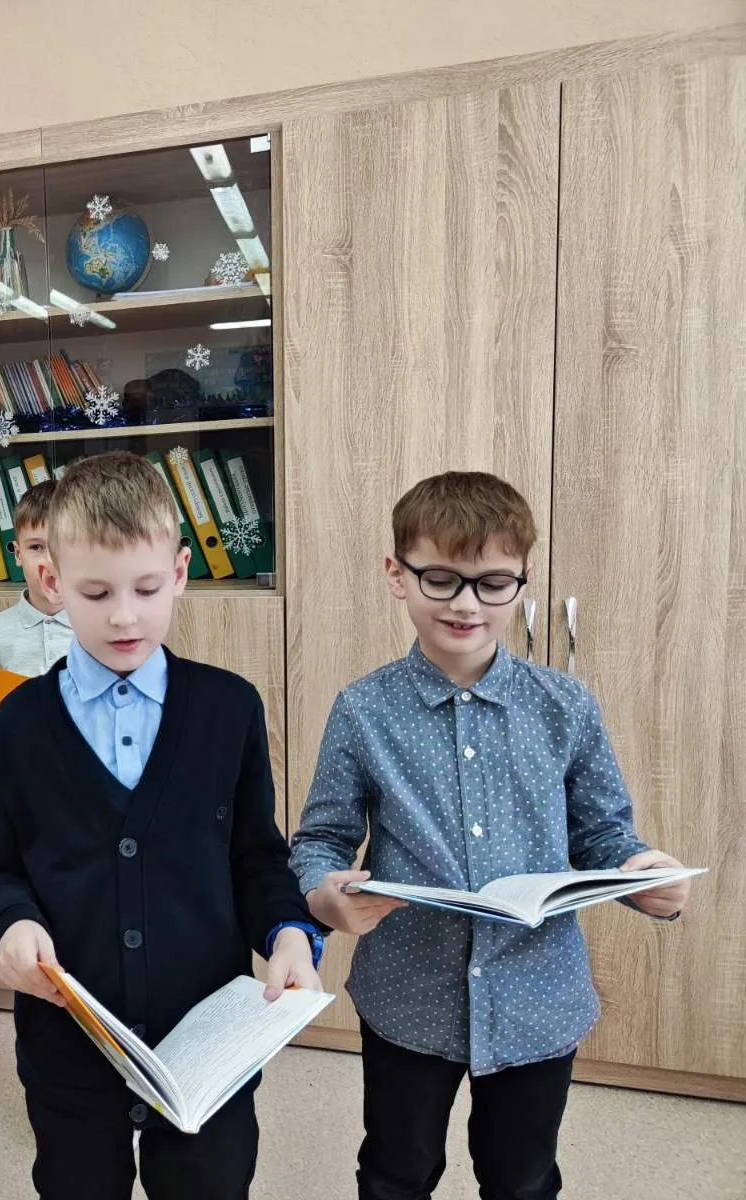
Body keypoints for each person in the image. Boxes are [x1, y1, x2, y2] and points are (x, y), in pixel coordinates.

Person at [289, 471, 694, 1200]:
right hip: (408, 994)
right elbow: (321, 840)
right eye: (440, 578)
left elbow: (604, 836)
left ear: (523, 581)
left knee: (523, 1177)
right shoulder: (362, 710)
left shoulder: (566, 706)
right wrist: (325, 894)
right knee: (396, 1170)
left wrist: (643, 874)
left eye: (493, 583)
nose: (466, 604)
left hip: (538, 997)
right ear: (397, 574)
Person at [0, 452, 323, 1200]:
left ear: (181, 572)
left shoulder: (230, 708)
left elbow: (257, 858)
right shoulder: (23, 722)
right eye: (96, 592)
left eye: (147, 587)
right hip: (70, 1047)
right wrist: (9, 927)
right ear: (51, 581)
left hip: (205, 1045)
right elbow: (1, 869)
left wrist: (290, 933)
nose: (124, 616)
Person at [0, 480, 67, 774]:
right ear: (17, 553)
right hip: (20, 783)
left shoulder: (102, 628)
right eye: (36, 547)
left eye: (62, 545)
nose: (49, 561)